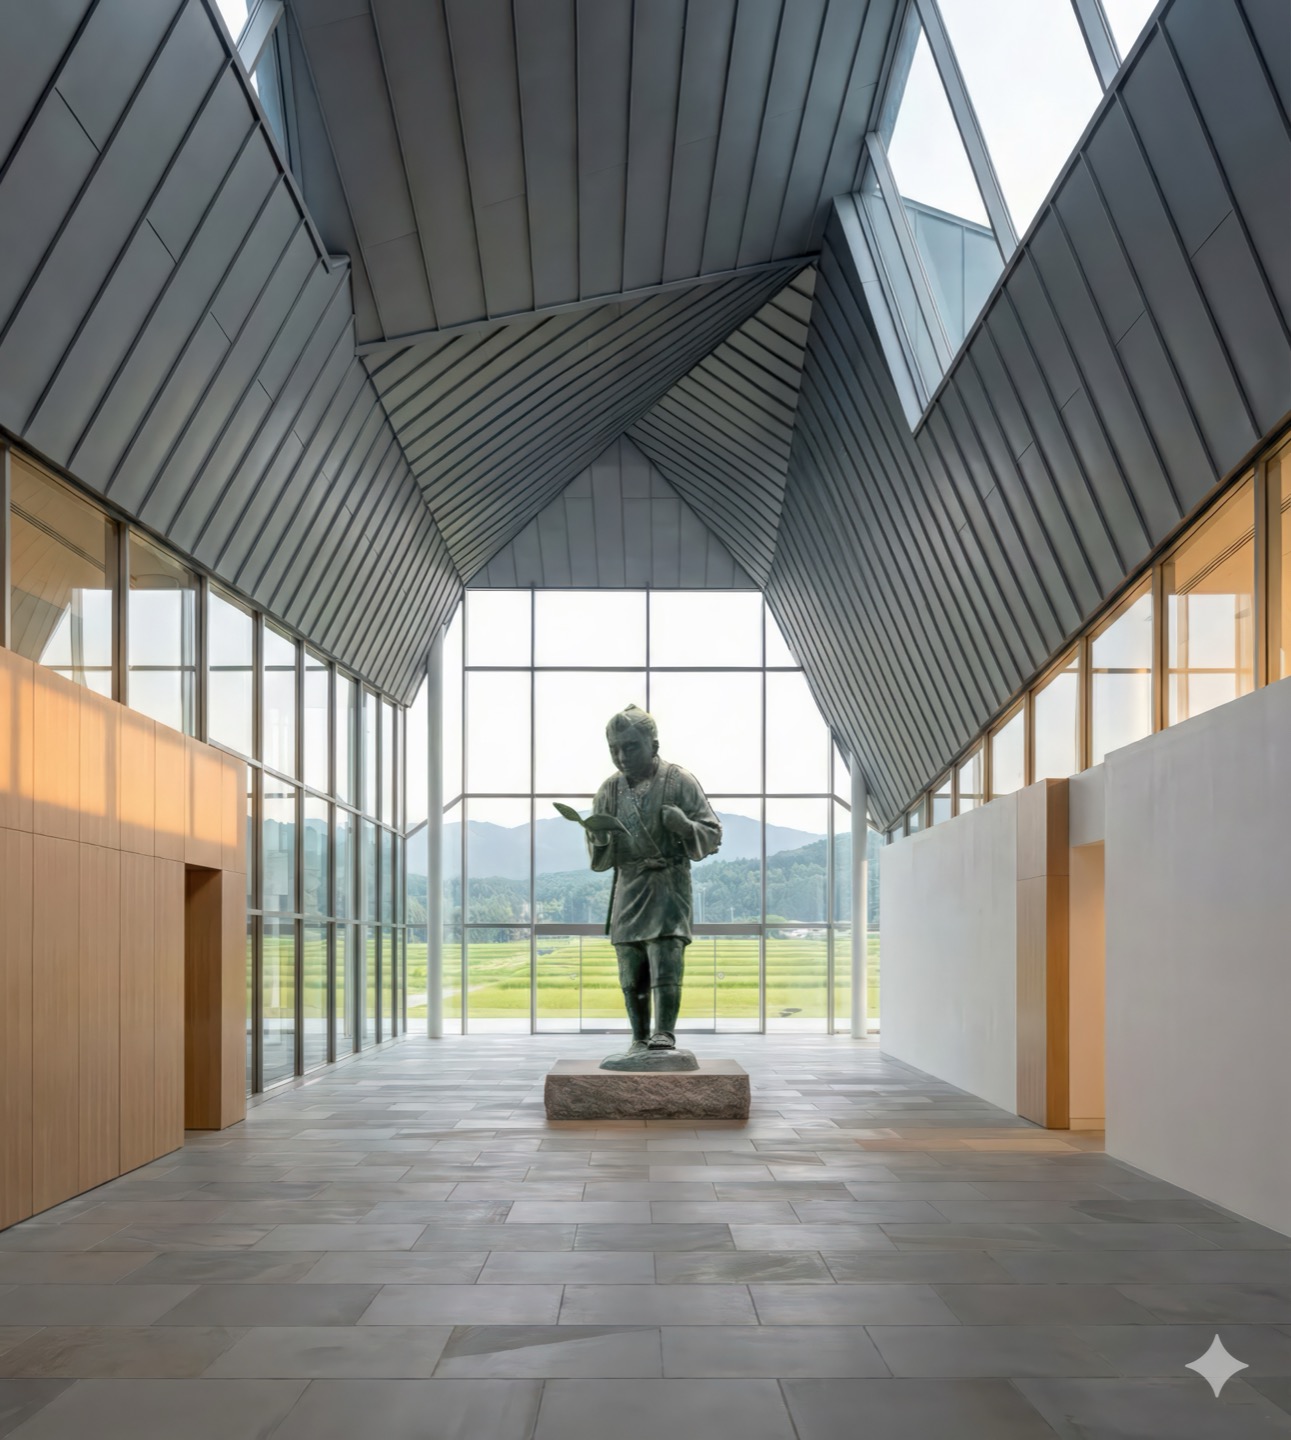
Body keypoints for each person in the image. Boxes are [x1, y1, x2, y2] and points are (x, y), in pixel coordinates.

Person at [587, 705, 721, 1055]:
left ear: (654, 745)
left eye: (630, 746)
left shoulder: (680, 782)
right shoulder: (609, 791)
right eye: (614, 748)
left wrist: (684, 826)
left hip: (667, 886)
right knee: (630, 973)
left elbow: (711, 833)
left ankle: (664, 1032)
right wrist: (600, 839)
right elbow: (600, 859)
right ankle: (638, 1036)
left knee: (665, 963)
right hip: (629, 888)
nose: (621, 756)